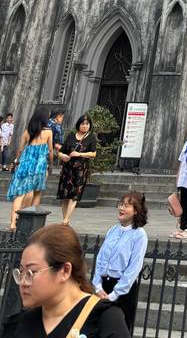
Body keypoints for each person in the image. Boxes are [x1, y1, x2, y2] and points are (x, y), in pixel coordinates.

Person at [14, 223, 130, 337]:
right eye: (21, 272)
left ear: (65, 271)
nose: (23, 282)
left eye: (31, 272)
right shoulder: (22, 323)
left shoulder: (105, 319)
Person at [92, 192, 149, 333]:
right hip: (103, 287)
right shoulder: (113, 230)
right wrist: (98, 286)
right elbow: (100, 259)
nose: (121, 208)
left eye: (126, 205)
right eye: (121, 204)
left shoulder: (139, 235)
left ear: (135, 211)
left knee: (118, 330)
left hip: (123, 291)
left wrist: (114, 294)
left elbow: (134, 268)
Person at [6, 109, 54, 231]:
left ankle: (13, 223)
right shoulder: (48, 132)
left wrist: (16, 161)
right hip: (39, 165)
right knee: (37, 192)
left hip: (25, 164)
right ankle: (32, 222)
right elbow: (50, 150)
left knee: (20, 194)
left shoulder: (27, 132)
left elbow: (20, 150)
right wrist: (51, 164)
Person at [56, 113, 97, 225]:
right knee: (65, 195)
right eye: (83, 124)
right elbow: (61, 151)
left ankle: (66, 220)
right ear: (78, 125)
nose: (85, 126)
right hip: (67, 169)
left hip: (80, 170)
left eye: (87, 124)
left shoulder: (91, 138)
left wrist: (79, 154)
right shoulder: (70, 136)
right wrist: (61, 156)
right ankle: (65, 220)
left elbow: (93, 154)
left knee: (74, 195)